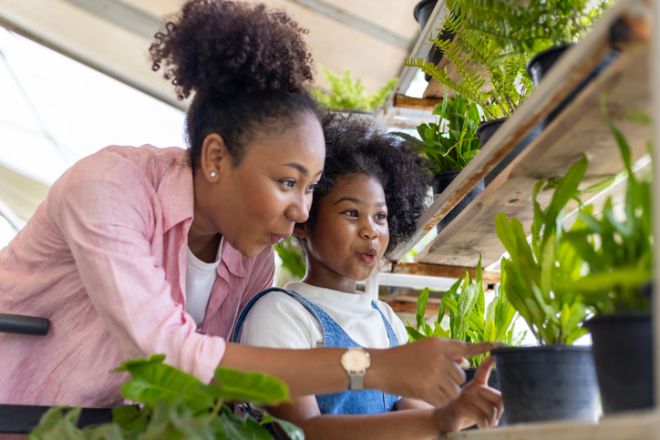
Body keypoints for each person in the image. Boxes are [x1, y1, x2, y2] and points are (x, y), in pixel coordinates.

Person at [0, 0, 493, 409]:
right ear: (215, 156)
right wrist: (375, 366)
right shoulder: (108, 189)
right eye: (287, 181)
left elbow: (220, 385)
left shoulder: (247, 257)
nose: (302, 210)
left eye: (311, 187)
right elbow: (168, 358)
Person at [233, 114, 503, 438]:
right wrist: (437, 421)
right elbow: (303, 431)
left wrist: (459, 412)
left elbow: (414, 416)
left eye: (380, 217)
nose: (370, 231)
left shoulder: (385, 319)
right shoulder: (280, 313)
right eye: (351, 213)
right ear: (304, 221)